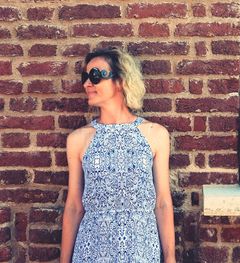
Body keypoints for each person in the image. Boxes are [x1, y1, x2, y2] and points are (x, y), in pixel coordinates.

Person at [59, 48, 175, 263]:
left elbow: (162, 203)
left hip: (141, 249)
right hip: (92, 250)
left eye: (95, 76)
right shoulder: (78, 140)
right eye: (85, 77)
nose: (87, 84)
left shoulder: (155, 135)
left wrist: (170, 259)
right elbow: (74, 206)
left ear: (121, 81)